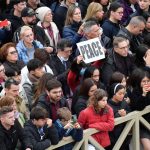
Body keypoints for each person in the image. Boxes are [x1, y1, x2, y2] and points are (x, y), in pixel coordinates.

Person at [128, 68, 150, 150]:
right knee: (148, 147)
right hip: (142, 125)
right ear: (139, 82)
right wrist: (144, 94)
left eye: (148, 81)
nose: (146, 83)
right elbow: (138, 108)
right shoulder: (135, 92)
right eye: (144, 81)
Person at [107, 83, 131, 150]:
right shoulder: (107, 106)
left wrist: (126, 113)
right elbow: (107, 120)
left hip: (125, 135)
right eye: (120, 94)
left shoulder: (124, 102)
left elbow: (131, 112)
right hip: (113, 138)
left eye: (123, 93)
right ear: (114, 93)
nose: (122, 96)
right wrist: (118, 115)